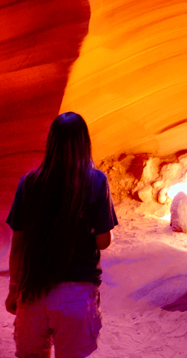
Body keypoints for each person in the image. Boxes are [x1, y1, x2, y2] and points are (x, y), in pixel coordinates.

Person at [4, 111, 118, 358]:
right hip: (76, 295)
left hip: (33, 294)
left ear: (51, 142)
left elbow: (18, 244)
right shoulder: (96, 181)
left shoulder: (29, 183)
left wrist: (14, 288)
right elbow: (103, 241)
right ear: (84, 142)